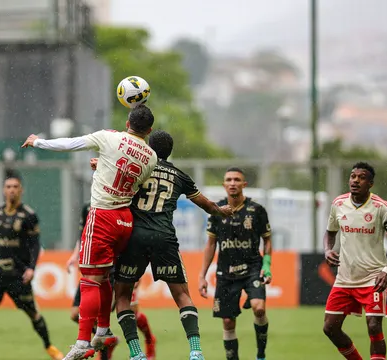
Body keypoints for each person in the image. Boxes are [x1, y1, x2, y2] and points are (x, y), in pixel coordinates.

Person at [22, 104, 158, 360]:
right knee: (104, 277)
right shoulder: (150, 157)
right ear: (149, 130)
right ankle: (103, 330)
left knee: (89, 280)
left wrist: (38, 143)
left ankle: (83, 341)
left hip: (103, 217)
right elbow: (133, 182)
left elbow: (71, 144)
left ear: (128, 122)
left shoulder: (109, 138)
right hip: (125, 220)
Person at [107, 130, 234, 360]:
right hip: (164, 238)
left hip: (135, 237)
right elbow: (205, 203)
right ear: (170, 151)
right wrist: (220, 210)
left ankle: (136, 354)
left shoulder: (138, 167)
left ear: (147, 147)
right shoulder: (179, 175)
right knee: (182, 295)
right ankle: (195, 350)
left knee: (123, 295)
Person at [0, 176, 64, 360]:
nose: (12, 190)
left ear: (21, 190)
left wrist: (31, 268)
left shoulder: (28, 215)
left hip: (18, 272)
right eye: (8, 186)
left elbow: (35, 245)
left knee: (32, 312)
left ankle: (50, 348)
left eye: (15, 187)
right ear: (3, 190)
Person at [322, 162, 387, 360]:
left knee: (373, 326)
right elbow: (329, 233)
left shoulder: (382, 208)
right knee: (330, 328)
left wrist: (386, 271)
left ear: (370, 184)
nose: (355, 181)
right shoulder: (338, 204)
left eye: (361, 177)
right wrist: (327, 250)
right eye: (353, 176)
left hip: (373, 278)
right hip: (345, 278)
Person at [198, 167, 272, 360]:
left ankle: (261, 354)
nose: (232, 183)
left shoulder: (257, 210)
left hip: (253, 269)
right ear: (224, 185)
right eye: (229, 180)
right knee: (228, 322)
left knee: (259, 307)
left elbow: (268, 239)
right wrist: (202, 276)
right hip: (225, 273)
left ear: (244, 184)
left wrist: (267, 266)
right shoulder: (216, 210)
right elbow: (211, 244)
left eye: (237, 180)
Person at [65, 204, 155, 360]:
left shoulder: (126, 206)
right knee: (75, 314)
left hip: (116, 266)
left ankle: (149, 340)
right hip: (92, 263)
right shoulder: (88, 207)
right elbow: (84, 234)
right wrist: (74, 255)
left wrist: (136, 267)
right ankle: (107, 340)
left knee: (129, 312)